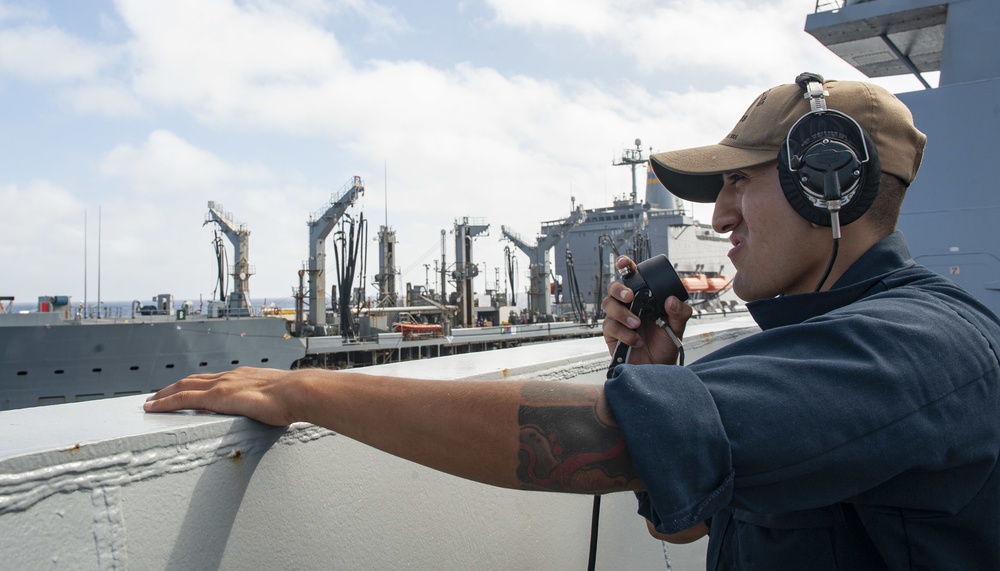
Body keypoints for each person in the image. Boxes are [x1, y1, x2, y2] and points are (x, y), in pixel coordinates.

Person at [144, 74, 1000, 568]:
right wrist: (660, 378)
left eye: (741, 180)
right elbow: (686, 518)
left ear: (831, 181)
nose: (726, 213)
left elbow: (593, 442)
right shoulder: (821, 347)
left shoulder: (916, 350)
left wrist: (307, 391)